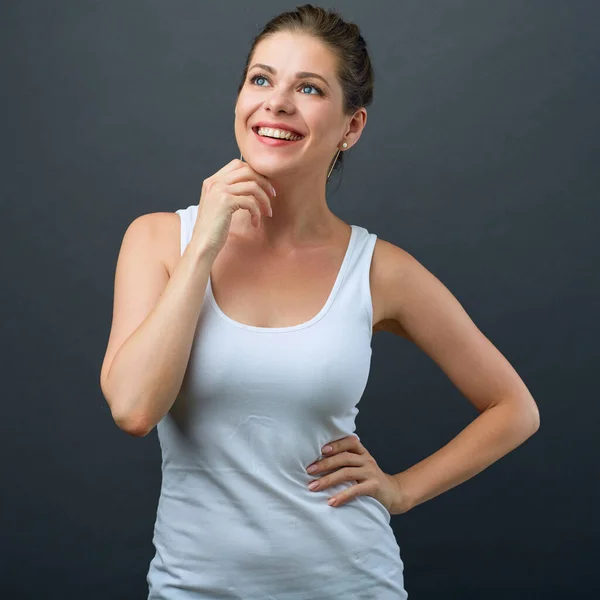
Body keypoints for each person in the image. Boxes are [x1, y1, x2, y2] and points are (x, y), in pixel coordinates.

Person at [100, 4, 540, 598]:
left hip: (352, 583)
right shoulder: (158, 239)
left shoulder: (379, 269)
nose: (276, 102)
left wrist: (402, 490)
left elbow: (514, 407)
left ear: (351, 127)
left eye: (308, 88)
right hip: (193, 588)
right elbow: (132, 409)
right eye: (261, 79)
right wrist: (204, 246)